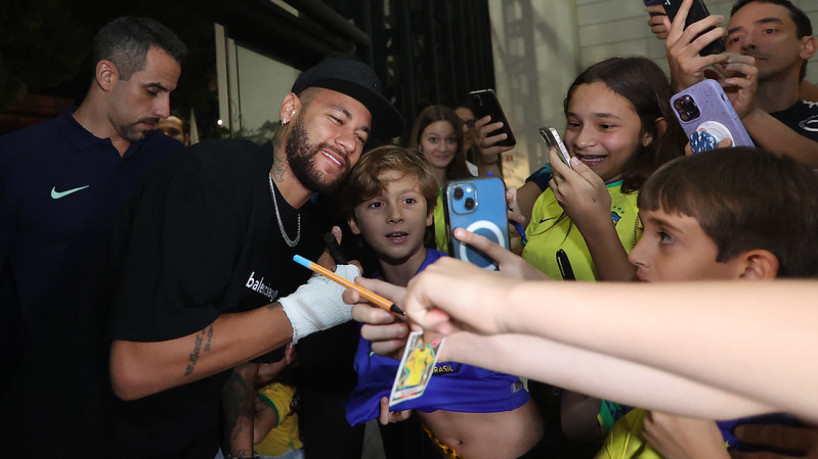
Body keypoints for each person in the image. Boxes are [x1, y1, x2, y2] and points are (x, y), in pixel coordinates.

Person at [103, 55, 404, 458]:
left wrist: (383, 387)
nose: (349, 142)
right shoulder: (214, 178)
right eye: (337, 118)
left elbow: (244, 366)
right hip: (104, 437)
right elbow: (133, 370)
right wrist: (306, 312)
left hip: (197, 440)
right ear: (289, 109)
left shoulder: (308, 234)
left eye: (361, 136)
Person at [0, 15, 187, 455]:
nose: (164, 110)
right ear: (107, 74)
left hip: (147, 411)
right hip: (39, 413)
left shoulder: (172, 162)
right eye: (153, 90)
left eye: (169, 94)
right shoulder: (17, 159)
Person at [590, 147, 818, 458]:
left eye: (666, 236)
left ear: (750, 271)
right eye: (644, 230)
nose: (635, 255)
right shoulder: (672, 360)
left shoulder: (793, 419)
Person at [340, 145, 545, 459]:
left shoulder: (461, 276)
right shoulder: (368, 301)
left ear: (430, 213)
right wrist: (395, 402)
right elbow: (385, 388)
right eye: (376, 204)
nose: (394, 215)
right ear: (354, 222)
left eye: (408, 200)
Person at [660, 0, 818, 167]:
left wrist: (750, 115)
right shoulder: (710, 123)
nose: (748, 42)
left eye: (769, 30)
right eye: (735, 39)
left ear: (807, 46)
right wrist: (691, 90)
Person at [408, 104, 474, 253]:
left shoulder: (470, 187)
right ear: (419, 143)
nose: (443, 148)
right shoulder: (407, 192)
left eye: (451, 140)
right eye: (433, 140)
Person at [454, 104, 503, 177]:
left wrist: (489, 164)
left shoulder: (476, 171)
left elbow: (493, 186)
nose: (465, 129)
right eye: (458, 122)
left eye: (470, 123)